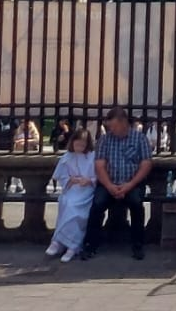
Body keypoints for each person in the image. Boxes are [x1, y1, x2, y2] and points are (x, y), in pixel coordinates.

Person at [91, 106, 154, 261]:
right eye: (109, 127)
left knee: (136, 204)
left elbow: (146, 164)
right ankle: (90, 244)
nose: (111, 129)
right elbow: (99, 165)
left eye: (113, 126)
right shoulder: (105, 140)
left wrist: (130, 184)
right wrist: (109, 185)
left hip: (132, 183)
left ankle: (138, 245)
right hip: (109, 182)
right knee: (97, 205)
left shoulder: (140, 139)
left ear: (124, 122)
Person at [45, 128, 98, 260]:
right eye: (77, 144)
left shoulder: (92, 157)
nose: (79, 147)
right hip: (72, 189)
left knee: (74, 209)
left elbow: (98, 176)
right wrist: (70, 180)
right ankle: (59, 241)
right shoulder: (67, 157)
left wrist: (90, 180)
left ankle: (71, 245)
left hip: (86, 191)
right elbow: (60, 176)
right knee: (67, 203)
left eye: (82, 145)